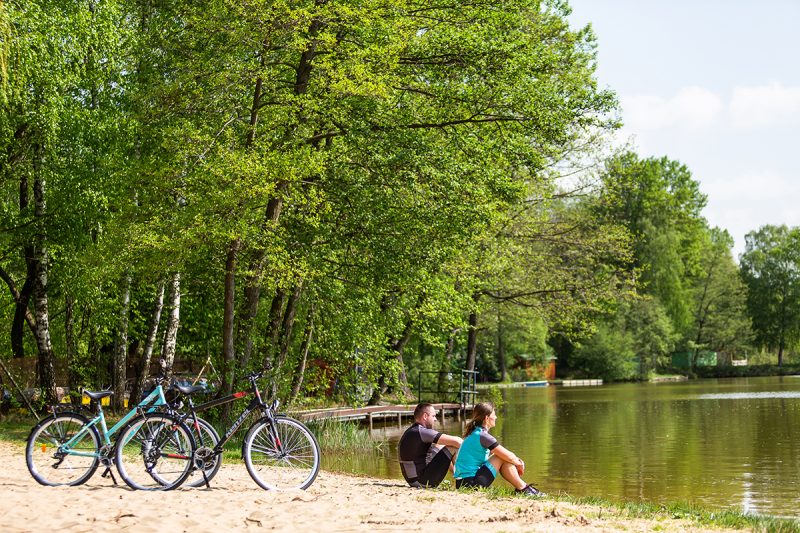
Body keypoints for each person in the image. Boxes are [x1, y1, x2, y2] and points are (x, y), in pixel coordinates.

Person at [453, 402, 541, 496]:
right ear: (487, 418)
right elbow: (507, 456)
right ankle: (524, 489)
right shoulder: (483, 436)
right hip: (471, 484)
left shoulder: (476, 433)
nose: (496, 417)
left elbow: (507, 456)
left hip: (463, 483)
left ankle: (523, 489)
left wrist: (516, 461)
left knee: (503, 457)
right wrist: (519, 463)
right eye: (494, 415)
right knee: (500, 457)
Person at [398, 403, 463, 488]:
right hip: (422, 481)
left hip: (413, 480)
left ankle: (456, 475)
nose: (435, 419)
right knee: (453, 447)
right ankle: (462, 481)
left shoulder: (413, 430)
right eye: (433, 416)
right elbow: (458, 441)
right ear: (425, 416)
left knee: (440, 446)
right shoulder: (422, 432)